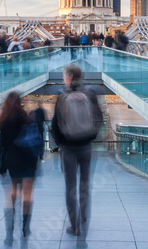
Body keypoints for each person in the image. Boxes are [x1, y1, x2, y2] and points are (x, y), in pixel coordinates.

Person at [52, 64, 103, 238]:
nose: (63, 79)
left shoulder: (62, 96)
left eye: (64, 75)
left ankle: (74, 225)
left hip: (68, 148)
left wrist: (61, 143)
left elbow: (55, 125)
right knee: (84, 185)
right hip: (86, 146)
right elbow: (99, 119)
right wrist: (89, 136)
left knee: (70, 186)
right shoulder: (90, 94)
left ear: (70, 76)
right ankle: (84, 219)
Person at [0, 92, 38, 245]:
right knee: (27, 195)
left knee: (11, 196)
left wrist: (2, 165)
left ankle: (9, 232)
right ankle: (25, 227)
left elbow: (2, 146)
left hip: (13, 161)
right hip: (28, 160)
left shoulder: (5, 121)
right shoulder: (27, 118)